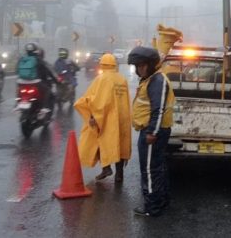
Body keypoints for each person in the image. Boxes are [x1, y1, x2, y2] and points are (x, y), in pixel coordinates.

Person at [128, 46, 175, 217]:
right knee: (158, 167)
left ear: (151, 65)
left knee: (149, 170)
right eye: (137, 66)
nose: (138, 69)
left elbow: (158, 109)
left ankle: (152, 206)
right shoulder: (150, 79)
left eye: (141, 65)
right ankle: (162, 200)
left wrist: (151, 133)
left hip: (153, 132)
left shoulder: (157, 81)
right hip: (153, 131)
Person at [74, 54, 132, 182]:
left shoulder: (102, 79)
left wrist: (93, 116)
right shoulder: (122, 79)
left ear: (102, 64)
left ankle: (106, 168)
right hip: (123, 117)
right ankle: (119, 174)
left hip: (108, 117)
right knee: (120, 143)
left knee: (102, 140)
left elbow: (99, 101)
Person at [17, 43, 58, 113]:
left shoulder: (22, 59)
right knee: (47, 90)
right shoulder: (38, 60)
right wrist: (56, 81)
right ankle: (44, 107)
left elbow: (17, 70)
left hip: (22, 81)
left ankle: (16, 104)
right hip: (35, 82)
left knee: (19, 89)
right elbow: (48, 71)